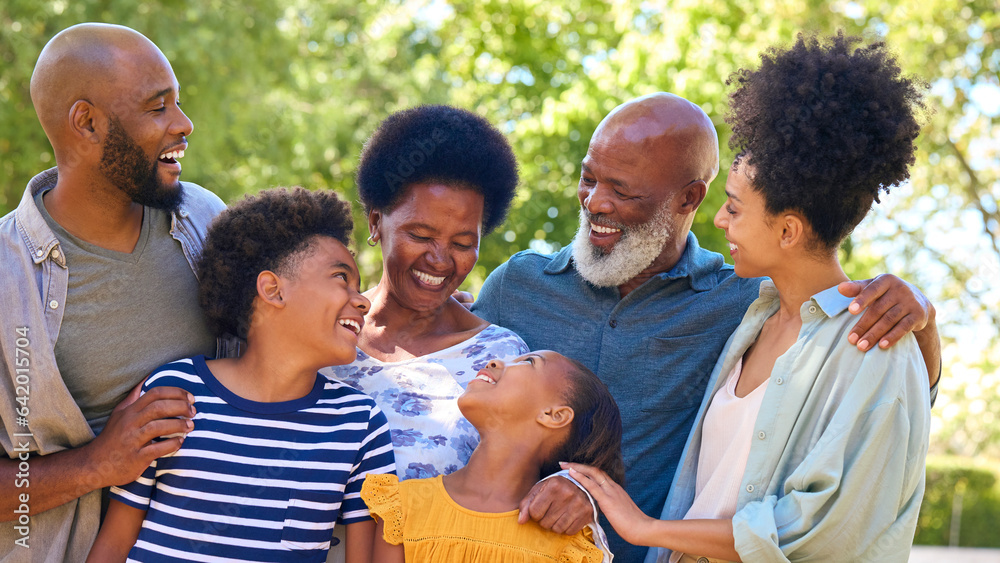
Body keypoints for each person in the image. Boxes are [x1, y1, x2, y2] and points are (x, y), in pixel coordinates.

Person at [471, 93, 941, 561]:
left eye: (622, 190)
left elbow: (881, 411)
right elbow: (451, 383)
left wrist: (922, 320)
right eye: (588, 178)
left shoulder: (740, 302)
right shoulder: (517, 285)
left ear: (689, 197)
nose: (595, 202)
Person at [0, 23, 225, 560]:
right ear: (88, 122)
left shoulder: (207, 219)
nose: (184, 124)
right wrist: (98, 462)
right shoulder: (5, 277)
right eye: (157, 107)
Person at [87, 187, 395, 562]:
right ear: (272, 290)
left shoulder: (359, 425)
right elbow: (113, 545)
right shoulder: (175, 392)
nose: (362, 299)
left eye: (359, 286)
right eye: (341, 278)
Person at [323, 105, 528, 481]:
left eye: (463, 243)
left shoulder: (501, 360)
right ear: (375, 223)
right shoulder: (320, 333)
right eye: (420, 236)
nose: (439, 260)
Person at [362, 350, 622, 562]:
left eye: (529, 362)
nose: (494, 360)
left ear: (554, 416)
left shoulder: (573, 547)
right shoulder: (403, 507)